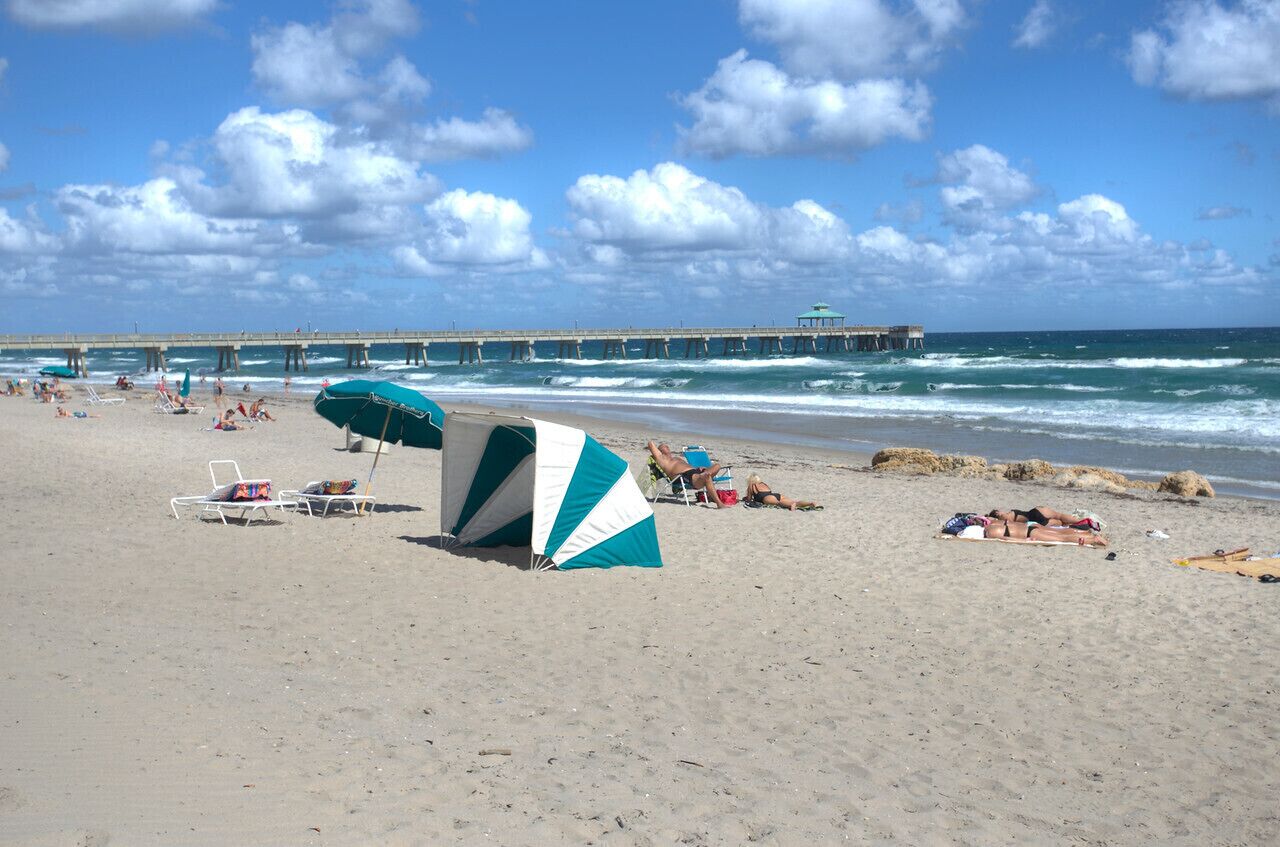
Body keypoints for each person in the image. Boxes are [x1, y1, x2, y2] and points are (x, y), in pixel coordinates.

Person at [647, 441, 732, 508]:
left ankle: (706, 477)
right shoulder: (662, 460)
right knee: (707, 476)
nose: (667, 448)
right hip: (684, 476)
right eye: (664, 447)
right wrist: (657, 452)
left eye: (667, 447)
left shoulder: (676, 458)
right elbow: (650, 444)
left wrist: (698, 468)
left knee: (717, 466)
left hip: (695, 471)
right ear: (660, 452)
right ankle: (719, 504)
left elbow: (687, 466)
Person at [984, 519, 1107, 546]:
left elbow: (1006, 539)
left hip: (1030, 533)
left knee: (1062, 538)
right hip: (1030, 526)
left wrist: (1024, 540)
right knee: (1061, 532)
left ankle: (1093, 540)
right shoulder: (994, 524)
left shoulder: (991, 533)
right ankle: (1088, 534)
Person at [745, 474, 819, 511]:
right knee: (794, 502)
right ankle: (810, 503)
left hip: (766, 498)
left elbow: (749, 498)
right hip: (775, 495)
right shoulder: (763, 484)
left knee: (779, 503)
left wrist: (746, 498)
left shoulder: (751, 485)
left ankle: (790, 505)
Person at [987, 506, 1094, 529]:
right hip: (1036, 512)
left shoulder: (1005, 520)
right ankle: (1086, 521)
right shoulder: (1005, 516)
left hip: (1036, 521)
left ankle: (1084, 523)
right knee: (1060, 516)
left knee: (1061, 523)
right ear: (997, 513)